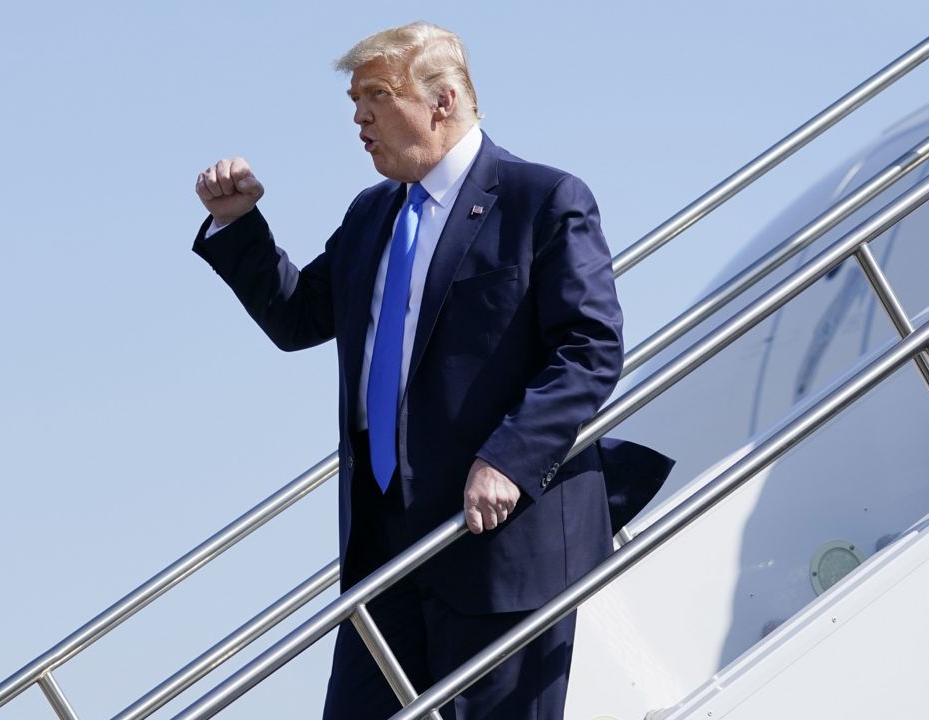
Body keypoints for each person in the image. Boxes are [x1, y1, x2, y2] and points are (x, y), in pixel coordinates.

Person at [193, 21, 625, 719]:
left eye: (376, 96)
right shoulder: (371, 217)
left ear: (442, 101)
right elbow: (300, 317)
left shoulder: (541, 200)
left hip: (496, 546)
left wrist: (511, 459)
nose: (358, 116)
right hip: (385, 550)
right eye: (354, 100)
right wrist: (240, 225)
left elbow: (590, 347)